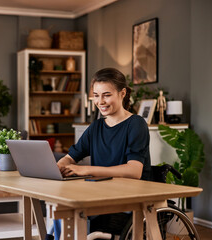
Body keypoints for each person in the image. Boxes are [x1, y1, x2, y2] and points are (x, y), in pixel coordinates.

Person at [54, 67, 151, 239]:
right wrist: (57, 167)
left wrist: (87, 170)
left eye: (106, 95)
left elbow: (134, 171)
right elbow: (70, 157)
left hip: (129, 199)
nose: (100, 101)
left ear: (122, 93)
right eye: (96, 95)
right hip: (100, 194)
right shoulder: (96, 127)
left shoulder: (136, 124)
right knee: (59, 209)